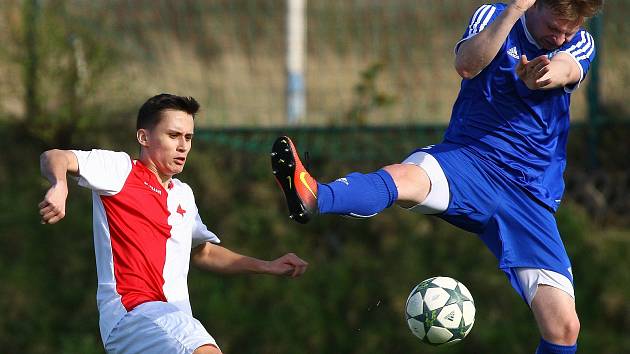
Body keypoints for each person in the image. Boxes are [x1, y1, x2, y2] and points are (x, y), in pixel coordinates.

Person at [270, 0, 603, 353]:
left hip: (530, 195)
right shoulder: (494, 16)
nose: (560, 36)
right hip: (471, 160)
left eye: (569, 29)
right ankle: (316, 196)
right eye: (554, 27)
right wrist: (513, 13)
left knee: (563, 327)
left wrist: (543, 76)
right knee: (408, 180)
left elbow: (565, 69)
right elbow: (466, 65)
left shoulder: (578, 43)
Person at [39, 93, 308, 354]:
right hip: (135, 312)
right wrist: (60, 184)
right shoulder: (120, 170)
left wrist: (267, 266)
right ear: (144, 137)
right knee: (205, 351)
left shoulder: (183, 194)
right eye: (173, 135)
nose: (183, 146)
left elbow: (205, 253)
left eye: (188, 137)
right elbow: (54, 156)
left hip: (163, 325)